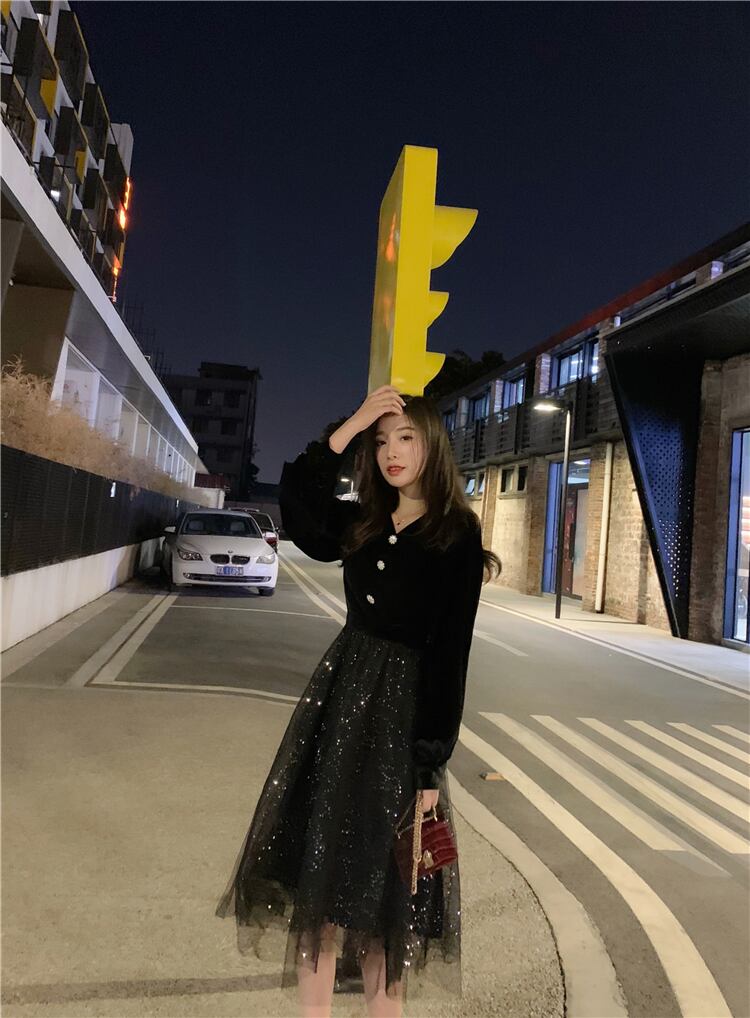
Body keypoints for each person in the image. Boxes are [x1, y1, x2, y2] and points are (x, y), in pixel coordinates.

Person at [215, 385, 501, 1017]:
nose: (392, 452)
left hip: (401, 722)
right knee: (317, 877)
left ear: (432, 447)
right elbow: (301, 509)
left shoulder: (455, 534)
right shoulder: (364, 520)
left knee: (387, 897)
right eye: (382, 441)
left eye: (406, 438)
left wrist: (429, 768)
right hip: (340, 704)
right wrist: (351, 426)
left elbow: (450, 656)